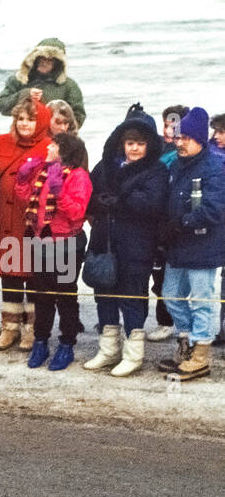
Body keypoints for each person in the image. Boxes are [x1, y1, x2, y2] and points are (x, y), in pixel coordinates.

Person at [82, 107, 168, 377]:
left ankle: (133, 354)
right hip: (104, 242)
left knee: (132, 298)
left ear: (149, 145)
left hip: (137, 245)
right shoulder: (105, 165)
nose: (134, 149)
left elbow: (152, 203)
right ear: (121, 143)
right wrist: (103, 202)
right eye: (130, 143)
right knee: (104, 295)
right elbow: (89, 195)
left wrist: (119, 199)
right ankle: (108, 350)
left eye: (140, 144)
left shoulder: (157, 170)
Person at [157, 107, 225, 381]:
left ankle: (200, 354)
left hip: (204, 245)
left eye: (186, 138)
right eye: (177, 137)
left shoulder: (216, 167)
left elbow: (214, 209)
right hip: (177, 245)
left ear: (199, 139)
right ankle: (185, 341)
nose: (180, 142)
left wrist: (181, 222)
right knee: (171, 296)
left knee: (202, 300)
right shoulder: (175, 165)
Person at [16, 132, 92, 370]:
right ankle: (41, 341)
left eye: (54, 145)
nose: (48, 147)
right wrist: (22, 180)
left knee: (65, 295)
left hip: (66, 244)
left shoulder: (79, 176)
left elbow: (77, 212)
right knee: (40, 295)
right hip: (41, 241)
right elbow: (26, 202)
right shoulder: (44, 172)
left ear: (64, 151)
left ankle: (67, 343)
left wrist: (59, 194)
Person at [0, 97, 52, 352]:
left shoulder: (49, 146)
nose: (25, 123)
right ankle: (9, 327)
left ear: (41, 121)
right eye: (20, 118)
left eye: (31, 118)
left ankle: (32, 329)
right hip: (1, 217)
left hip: (32, 224)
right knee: (9, 275)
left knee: (34, 276)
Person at [147, 105, 191, 342]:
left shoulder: (183, 154)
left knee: (174, 277)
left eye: (174, 125)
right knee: (157, 275)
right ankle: (164, 320)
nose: (168, 129)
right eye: (166, 124)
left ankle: (176, 323)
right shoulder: (154, 148)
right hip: (154, 222)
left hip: (174, 223)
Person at [0, 37, 85, 127]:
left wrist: (57, 127)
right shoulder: (20, 79)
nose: (44, 63)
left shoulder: (68, 85)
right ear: (35, 58)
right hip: (23, 133)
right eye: (42, 58)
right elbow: (3, 107)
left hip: (53, 137)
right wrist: (25, 94)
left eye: (50, 60)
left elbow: (78, 116)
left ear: (58, 63)